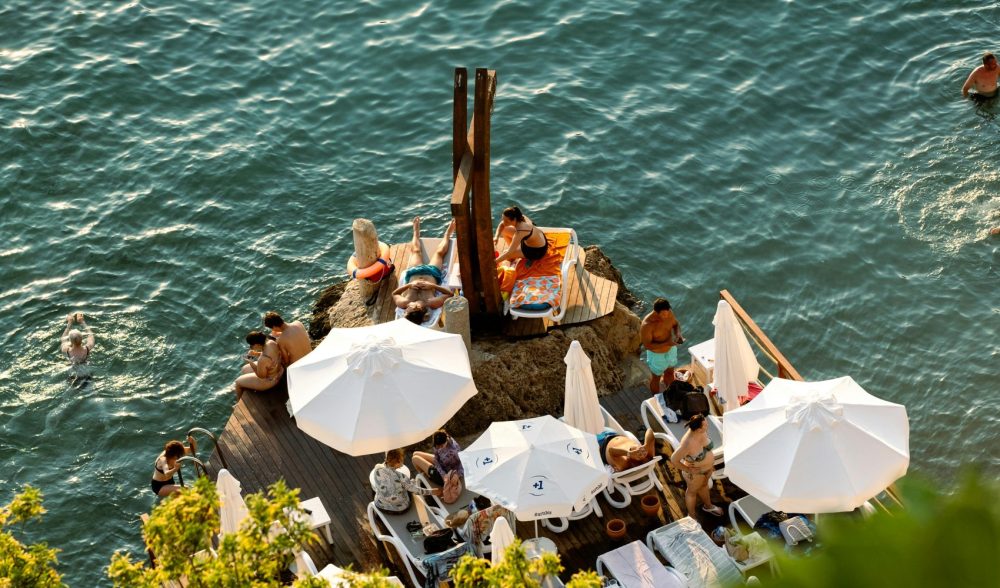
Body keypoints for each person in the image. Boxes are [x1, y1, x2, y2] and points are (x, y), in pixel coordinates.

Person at [392, 217, 456, 325]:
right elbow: (450, 294)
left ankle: (416, 232)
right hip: (432, 272)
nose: (406, 308)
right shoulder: (432, 303)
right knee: (439, 253)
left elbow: (394, 293)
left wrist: (409, 285)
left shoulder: (404, 302)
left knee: (416, 251)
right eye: (409, 309)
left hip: (414, 272)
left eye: (406, 310)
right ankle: (448, 234)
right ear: (418, 308)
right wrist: (432, 286)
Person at [670, 414, 724, 517]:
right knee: (692, 493)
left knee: (704, 486)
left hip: (707, 469)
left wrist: (709, 464)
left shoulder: (701, 432)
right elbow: (674, 459)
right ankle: (692, 516)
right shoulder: (687, 444)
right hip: (696, 474)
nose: (707, 426)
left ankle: (708, 506)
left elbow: (706, 449)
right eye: (705, 425)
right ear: (698, 429)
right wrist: (688, 469)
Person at [371, 448, 442, 512]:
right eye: (401, 461)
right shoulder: (402, 477)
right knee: (410, 488)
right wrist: (432, 491)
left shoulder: (377, 468)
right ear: (397, 462)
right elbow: (415, 490)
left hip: (380, 504)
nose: (402, 464)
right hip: (399, 508)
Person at [640, 298, 685, 394]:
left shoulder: (669, 313)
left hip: (671, 349)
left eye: (668, 312)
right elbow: (647, 346)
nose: (666, 316)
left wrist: (678, 333)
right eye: (664, 314)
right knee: (656, 378)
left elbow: (675, 324)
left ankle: (671, 394)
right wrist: (667, 343)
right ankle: (656, 397)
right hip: (657, 355)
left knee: (670, 372)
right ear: (656, 312)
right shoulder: (647, 325)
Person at [234, 331, 283, 399]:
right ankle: (248, 383)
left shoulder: (262, 360)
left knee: (237, 382)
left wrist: (250, 362)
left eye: (251, 345)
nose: (250, 347)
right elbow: (269, 355)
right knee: (244, 369)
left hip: (271, 381)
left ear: (257, 344)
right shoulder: (271, 343)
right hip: (279, 371)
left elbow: (261, 376)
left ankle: (238, 401)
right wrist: (256, 354)